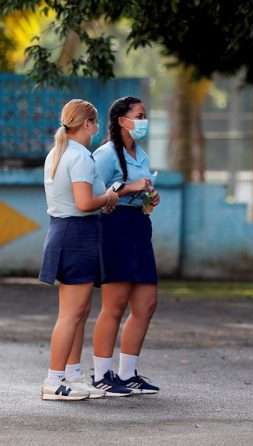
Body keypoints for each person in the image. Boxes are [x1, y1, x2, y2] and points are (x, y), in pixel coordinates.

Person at [39, 99, 119, 400]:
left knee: (79, 312)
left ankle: (72, 375)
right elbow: (85, 203)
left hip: (66, 231)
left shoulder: (59, 153)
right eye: (95, 123)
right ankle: (54, 380)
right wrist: (111, 196)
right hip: (76, 234)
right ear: (88, 124)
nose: (97, 129)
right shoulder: (81, 157)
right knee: (71, 314)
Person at [91, 96, 160, 396]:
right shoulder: (105, 154)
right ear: (122, 120)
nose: (144, 121)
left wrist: (149, 197)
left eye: (145, 115)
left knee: (146, 303)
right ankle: (102, 374)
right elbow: (92, 194)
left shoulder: (140, 154)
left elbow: (142, 187)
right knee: (114, 304)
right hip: (114, 227)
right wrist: (126, 188)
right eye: (139, 115)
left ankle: (128, 373)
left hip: (138, 226)